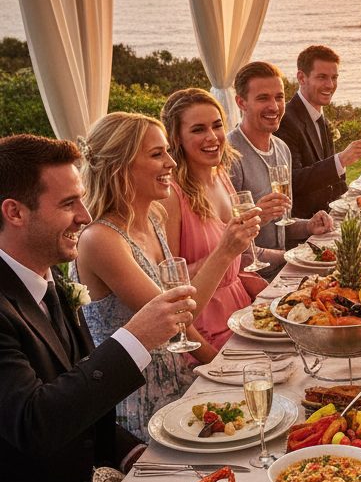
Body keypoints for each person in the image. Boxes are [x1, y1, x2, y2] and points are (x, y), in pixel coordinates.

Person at [0, 134, 195, 482]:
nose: (84, 216)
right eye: (68, 203)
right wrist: (136, 337)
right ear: (14, 212)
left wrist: (137, 454)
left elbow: (78, 394)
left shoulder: (50, 279)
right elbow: (34, 422)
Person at [74, 113, 260, 433]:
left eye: (168, 151)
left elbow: (182, 327)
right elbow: (174, 317)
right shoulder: (99, 239)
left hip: (180, 390)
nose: (171, 163)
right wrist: (226, 251)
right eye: (157, 154)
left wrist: (220, 366)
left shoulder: (153, 217)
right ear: (120, 166)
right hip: (140, 412)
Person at [160, 89, 264, 356]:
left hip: (242, 315)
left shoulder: (220, 176)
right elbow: (168, 282)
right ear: (177, 139)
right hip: (203, 330)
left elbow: (231, 261)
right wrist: (226, 251)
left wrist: (255, 284)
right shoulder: (171, 194)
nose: (212, 137)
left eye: (217, 125)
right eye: (198, 129)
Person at [227, 61, 334, 268]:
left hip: (281, 268)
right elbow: (226, 243)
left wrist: (309, 226)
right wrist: (289, 256)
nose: (274, 107)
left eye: (279, 97)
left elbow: (283, 224)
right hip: (252, 277)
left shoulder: (282, 149)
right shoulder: (231, 156)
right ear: (241, 103)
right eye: (263, 98)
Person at [277, 45, 361, 218]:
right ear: (301, 77)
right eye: (322, 77)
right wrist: (341, 160)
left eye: (334, 77)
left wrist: (351, 207)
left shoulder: (319, 115)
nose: (330, 85)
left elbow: (335, 182)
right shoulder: (286, 120)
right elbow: (294, 181)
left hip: (333, 215)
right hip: (306, 225)